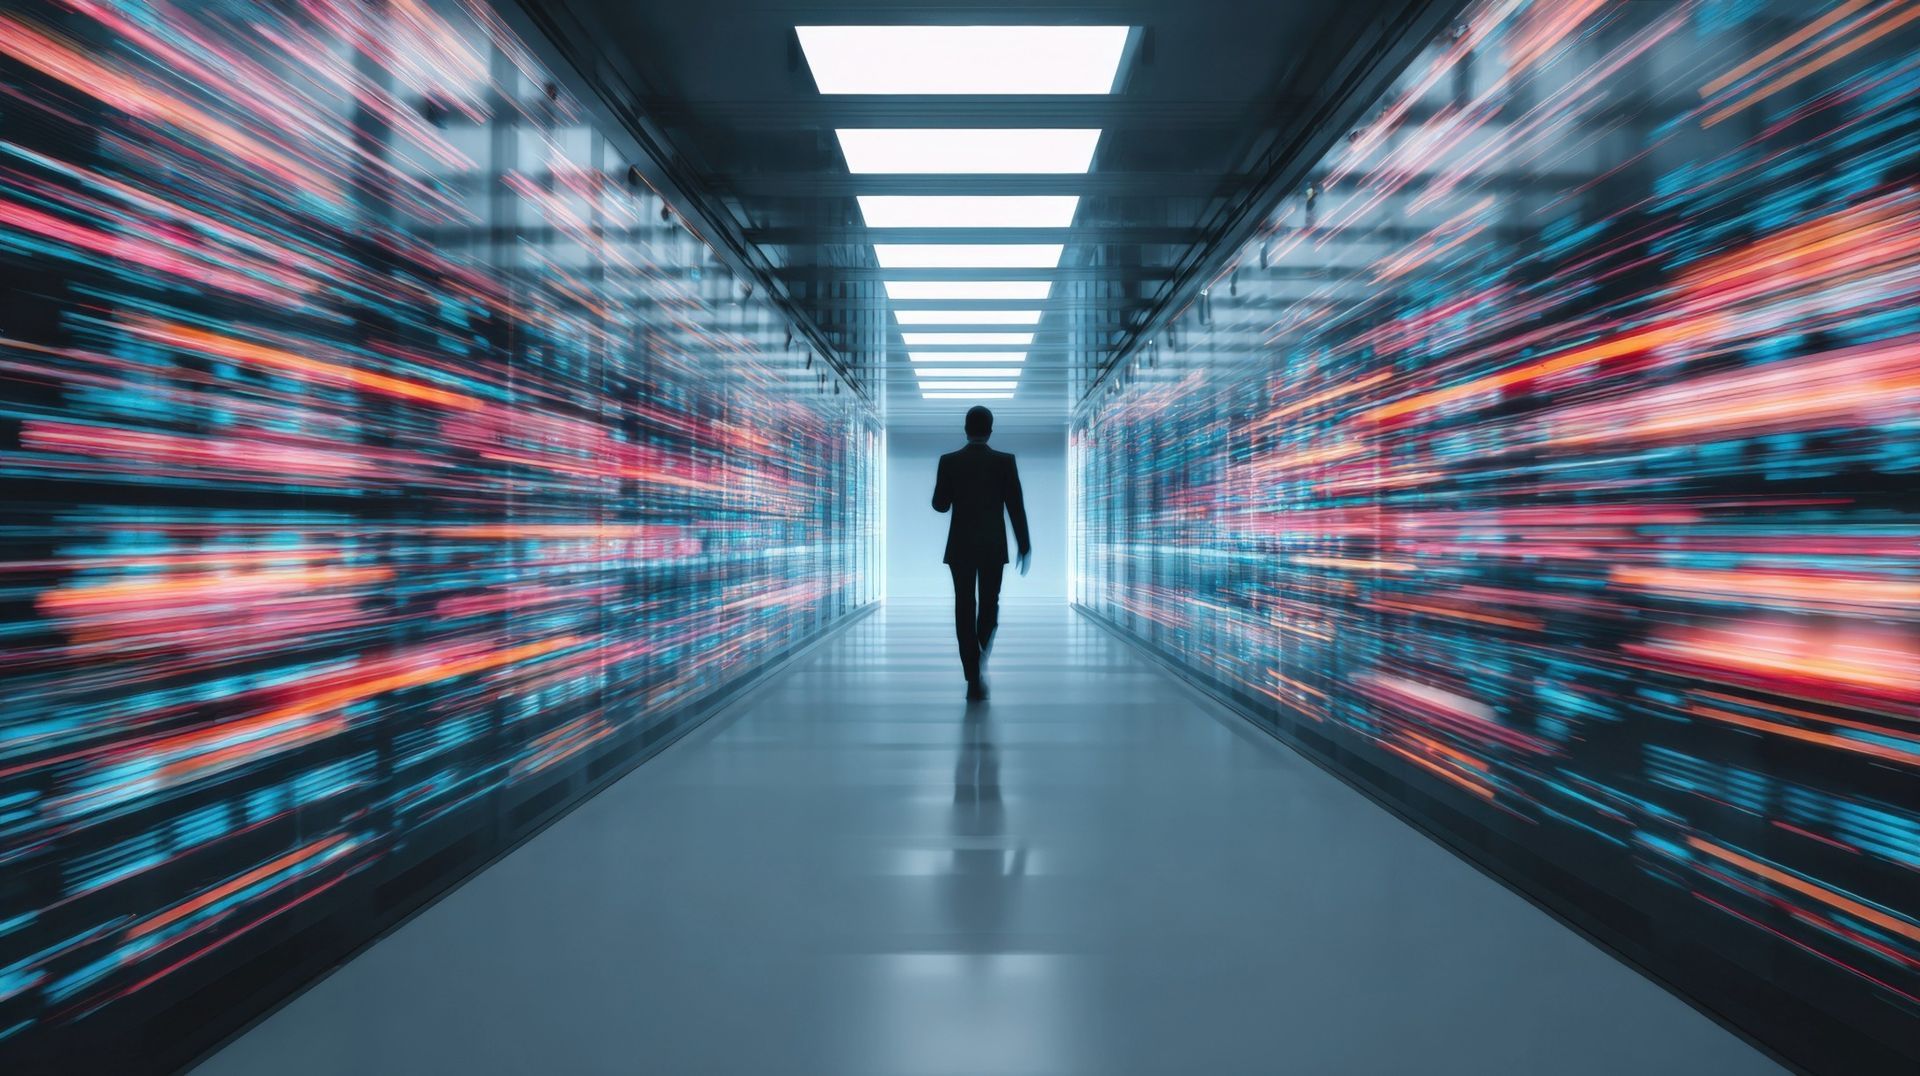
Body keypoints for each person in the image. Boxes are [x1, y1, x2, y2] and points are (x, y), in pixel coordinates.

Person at [931, 405, 1031, 701]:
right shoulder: (1005, 462)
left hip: (960, 546)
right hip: (992, 546)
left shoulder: (949, 462)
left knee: (964, 605)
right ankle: (979, 654)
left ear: (965, 428)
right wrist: (1024, 545)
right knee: (989, 604)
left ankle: (971, 672)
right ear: (990, 430)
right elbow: (1016, 506)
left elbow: (940, 504)